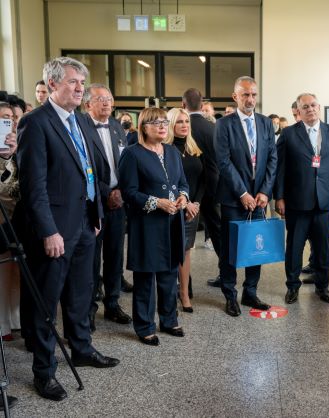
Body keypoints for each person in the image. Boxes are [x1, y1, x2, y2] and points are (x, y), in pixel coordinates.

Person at [17, 57, 119, 402]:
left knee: (80, 296)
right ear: (53, 82)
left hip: (85, 225)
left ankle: (82, 349)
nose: (80, 88)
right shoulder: (36, 123)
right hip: (55, 232)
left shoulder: (79, 121)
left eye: (82, 83)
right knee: (47, 305)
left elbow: (88, 171)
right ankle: (44, 372)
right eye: (74, 82)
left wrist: (97, 213)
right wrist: (48, 231)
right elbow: (35, 187)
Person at [118, 107, 189, 346]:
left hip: (172, 222)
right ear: (143, 127)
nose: (162, 126)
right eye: (155, 122)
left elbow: (182, 183)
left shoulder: (171, 152)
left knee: (169, 275)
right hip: (147, 224)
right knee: (146, 277)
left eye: (163, 122)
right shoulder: (132, 154)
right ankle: (145, 326)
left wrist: (183, 197)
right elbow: (129, 193)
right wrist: (156, 202)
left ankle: (169, 320)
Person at [275, 93, 329, 304]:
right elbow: (280, 169)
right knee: (294, 247)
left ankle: (322, 286)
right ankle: (292, 286)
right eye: (305, 107)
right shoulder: (289, 134)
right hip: (296, 202)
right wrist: (278, 197)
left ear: (319, 107)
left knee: (323, 247)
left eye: (314, 105)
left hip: (325, 201)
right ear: (298, 111)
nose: (310, 109)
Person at [214, 76, 277, 317]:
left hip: (259, 198)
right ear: (235, 97)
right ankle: (229, 294)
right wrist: (243, 193)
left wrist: (264, 192)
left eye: (253, 95)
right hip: (233, 198)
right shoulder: (224, 125)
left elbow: (273, 159)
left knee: (256, 245)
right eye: (245, 95)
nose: (250, 99)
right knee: (231, 248)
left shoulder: (265, 123)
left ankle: (250, 291)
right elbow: (223, 162)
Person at [82, 84, 132, 331]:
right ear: (88, 103)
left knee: (114, 256)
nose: (106, 103)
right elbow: (82, 168)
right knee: (91, 259)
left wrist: (121, 191)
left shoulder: (116, 126)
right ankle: (89, 309)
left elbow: (125, 163)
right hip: (92, 203)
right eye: (100, 99)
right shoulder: (80, 126)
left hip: (118, 201)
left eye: (109, 99)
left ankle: (112, 304)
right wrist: (106, 192)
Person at [165, 107, 205, 313]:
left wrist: (196, 203)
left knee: (186, 251)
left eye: (186, 122)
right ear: (171, 125)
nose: (184, 125)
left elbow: (203, 179)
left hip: (192, 210)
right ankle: (169, 292)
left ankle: (184, 294)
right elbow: (167, 181)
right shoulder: (164, 148)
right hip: (172, 207)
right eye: (179, 122)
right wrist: (185, 203)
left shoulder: (193, 147)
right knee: (171, 251)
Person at [181, 88, 222, 288]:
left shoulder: (182, 127)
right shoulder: (213, 127)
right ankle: (225, 273)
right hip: (214, 188)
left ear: (183, 104)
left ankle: (183, 281)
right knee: (217, 231)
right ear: (202, 103)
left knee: (184, 236)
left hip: (188, 190)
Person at [0, 101, 19, 342]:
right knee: (3, 272)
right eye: (5, 117)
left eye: (13, 117)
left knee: (19, 272)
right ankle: (3, 323)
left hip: (22, 216)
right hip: (1, 216)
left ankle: (17, 319)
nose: (10, 120)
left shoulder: (23, 142)